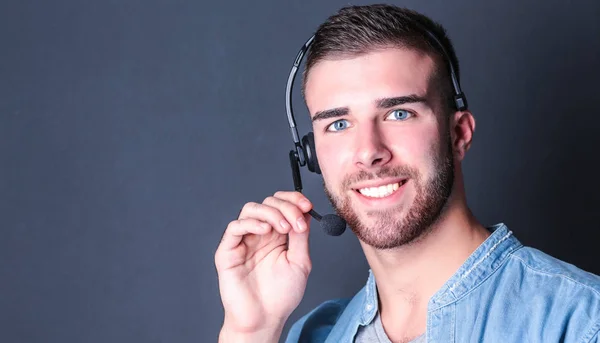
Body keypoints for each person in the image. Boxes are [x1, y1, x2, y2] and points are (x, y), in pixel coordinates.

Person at [214, 4, 600, 342]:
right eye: (338, 124)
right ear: (310, 155)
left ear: (458, 134)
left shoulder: (581, 323)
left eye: (399, 114)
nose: (368, 152)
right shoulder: (315, 334)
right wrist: (250, 332)